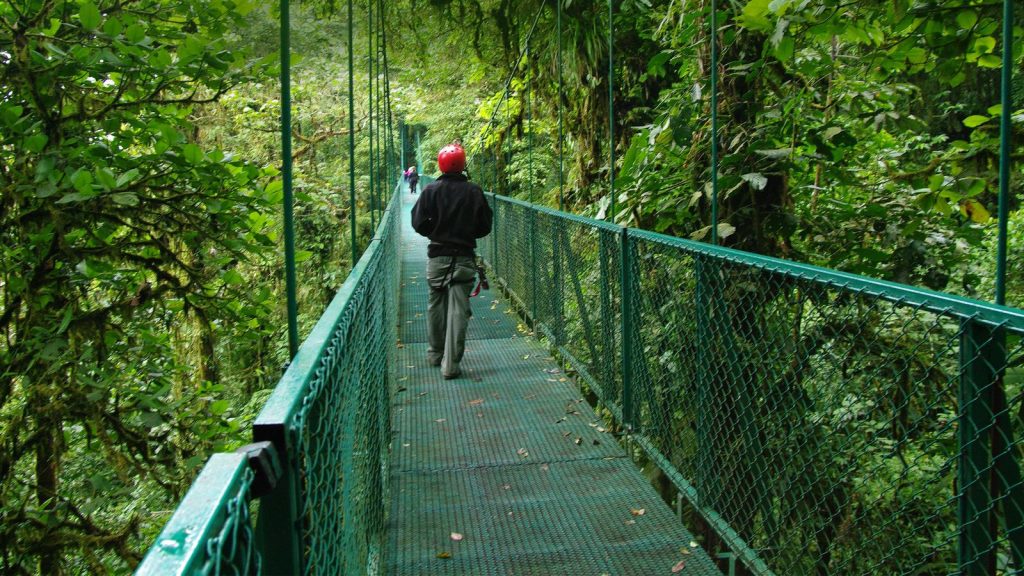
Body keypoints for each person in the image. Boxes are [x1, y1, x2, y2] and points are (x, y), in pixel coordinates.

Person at [411, 143, 492, 379]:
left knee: (436, 304)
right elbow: (485, 226)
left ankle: (436, 354)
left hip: (437, 257)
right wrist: (467, 233)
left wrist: (433, 230)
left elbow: (417, 222)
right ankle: (451, 365)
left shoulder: (430, 191)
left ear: (440, 164)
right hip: (464, 257)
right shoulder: (474, 191)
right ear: (463, 164)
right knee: (459, 310)